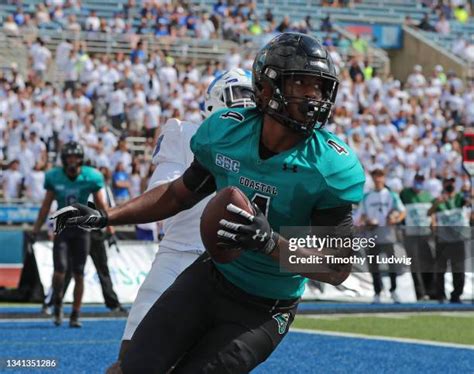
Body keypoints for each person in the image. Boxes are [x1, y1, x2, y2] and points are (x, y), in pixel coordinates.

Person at [52, 33, 365, 373]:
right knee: (133, 367)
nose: (312, 96)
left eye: (319, 87)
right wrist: (105, 215)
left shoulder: (330, 166)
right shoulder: (226, 134)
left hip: (266, 307)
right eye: (300, 84)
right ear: (265, 89)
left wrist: (270, 242)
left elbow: (337, 267)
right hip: (211, 277)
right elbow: (176, 195)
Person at [105, 68, 256, 372]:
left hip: (234, 271)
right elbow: (164, 194)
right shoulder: (186, 132)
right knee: (131, 364)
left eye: (252, 95)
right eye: (240, 93)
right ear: (214, 102)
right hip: (181, 256)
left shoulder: (267, 149)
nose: (248, 103)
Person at [32, 141, 109, 327]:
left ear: (81, 159)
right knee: (59, 271)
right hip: (63, 229)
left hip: (82, 229)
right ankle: (57, 304)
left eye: (76, 157)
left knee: (79, 273)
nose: (73, 161)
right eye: (69, 157)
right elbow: (45, 206)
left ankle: (75, 314)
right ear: (64, 160)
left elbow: (102, 205)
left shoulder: (91, 176)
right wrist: (36, 229)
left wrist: (110, 228)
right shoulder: (54, 177)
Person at [359, 168, 406, 303]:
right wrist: (366, 222)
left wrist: (395, 219)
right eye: (375, 176)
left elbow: (402, 211)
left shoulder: (391, 195)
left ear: (384, 178)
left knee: (392, 264)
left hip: (388, 235)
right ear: (373, 179)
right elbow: (362, 215)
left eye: (380, 176)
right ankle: (377, 292)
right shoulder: (367, 196)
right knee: (374, 266)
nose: (378, 179)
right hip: (372, 235)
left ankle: (393, 290)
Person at [427, 176, 469, 303]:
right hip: (443, 239)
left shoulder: (460, 198)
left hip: (458, 239)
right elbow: (429, 213)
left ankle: (456, 295)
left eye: (451, 182)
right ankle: (440, 295)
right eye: (447, 182)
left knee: (459, 269)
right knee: (440, 270)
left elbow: (469, 202)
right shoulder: (438, 199)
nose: (449, 184)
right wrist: (437, 203)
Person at [400, 174, 435, 300]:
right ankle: (420, 293)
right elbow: (400, 208)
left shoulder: (428, 196)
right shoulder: (405, 194)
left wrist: (433, 227)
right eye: (417, 181)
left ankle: (431, 291)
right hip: (411, 234)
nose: (418, 183)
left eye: (421, 181)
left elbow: (433, 213)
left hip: (426, 234)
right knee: (415, 265)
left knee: (429, 262)